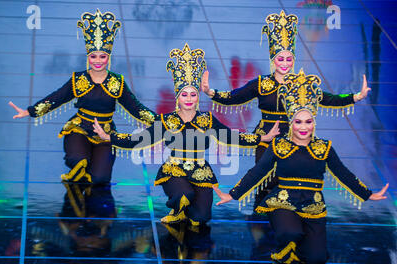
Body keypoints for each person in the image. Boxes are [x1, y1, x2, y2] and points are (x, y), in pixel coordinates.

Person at [213, 69, 388, 264]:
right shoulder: (279, 146)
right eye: (298, 122)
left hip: (312, 205)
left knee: (317, 259)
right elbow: (257, 173)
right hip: (283, 202)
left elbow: (343, 175)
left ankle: (301, 244)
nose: (303, 127)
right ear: (292, 122)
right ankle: (287, 241)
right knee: (291, 232)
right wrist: (233, 194)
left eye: (308, 122)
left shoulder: (324, 148)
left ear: (314, 123)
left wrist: (367, 194)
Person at [93, 43, 279, 227]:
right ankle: (177, 210)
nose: (189, 99)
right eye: (184, 95)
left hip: (200, 171)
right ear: (177, 97)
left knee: (201, 218)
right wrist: (109, 137)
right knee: (183, 196)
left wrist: (262, 138)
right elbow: (140, 140)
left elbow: (229, 136)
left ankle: (189, 208)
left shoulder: (206, 120)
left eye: (193, 94)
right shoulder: (167, 121)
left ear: (198, 96)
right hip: (175, 170)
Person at [200, 10, 371, 204]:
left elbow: (329, 99)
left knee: (289, 186)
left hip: (297, 139)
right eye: (280, 59)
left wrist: (356, 96)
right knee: (265, 182)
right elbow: (233, 97)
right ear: (273, 59)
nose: (285, 63)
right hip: (267, 138)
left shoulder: (302, 84)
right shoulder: (261, 84)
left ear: (293, 60)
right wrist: (210, 92)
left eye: (289, 59)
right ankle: (263, 220)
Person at [8, 9, 157, 184]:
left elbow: (136, 108)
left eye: (103, 56)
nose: (98, 60)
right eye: (93, 56)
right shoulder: (79, 79)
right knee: (78, 161)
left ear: (108, 57)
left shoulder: (117, 82)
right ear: (88, 56)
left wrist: (160, 121)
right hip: (79, 129)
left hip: (105, 133)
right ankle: (79, 165)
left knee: (100, 179)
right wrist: (30, 111)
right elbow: (57, 97)